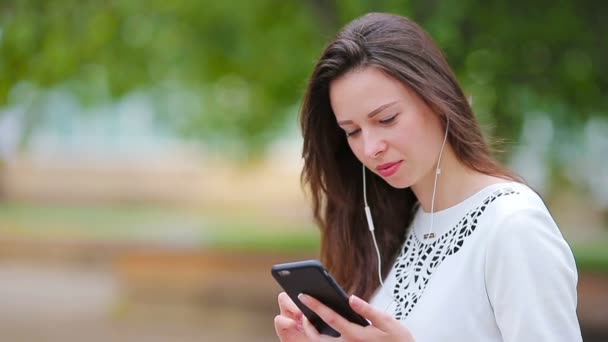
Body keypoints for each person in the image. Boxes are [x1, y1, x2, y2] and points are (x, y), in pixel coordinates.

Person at [274, 12, 582, 342]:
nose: (370, 148)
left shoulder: (512, 226)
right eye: (352, 132)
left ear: (436, 100)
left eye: (387, 119)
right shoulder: (397, 225)